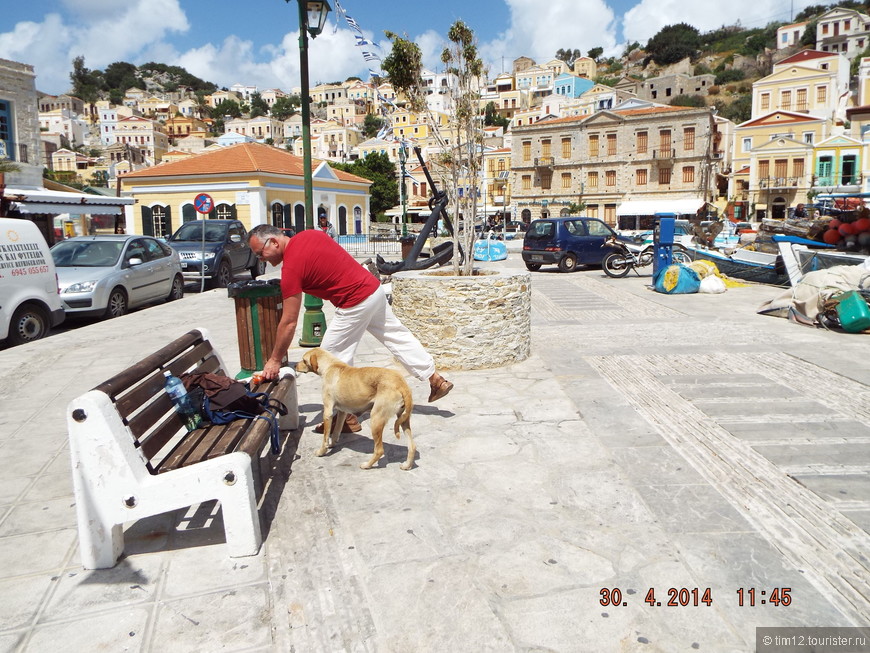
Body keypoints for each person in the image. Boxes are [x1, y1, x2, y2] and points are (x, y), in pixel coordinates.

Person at [247, 225, 453, 431]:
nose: (261, 260)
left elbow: (289, 321)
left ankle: (345, 418)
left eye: (260, 254)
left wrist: (274, 360)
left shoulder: (291, 268)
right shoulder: (310, 234)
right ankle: (435, 379)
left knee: (330, 358)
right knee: (397, 336)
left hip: (354, 301)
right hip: (373, 290)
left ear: (273, 242)